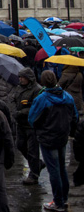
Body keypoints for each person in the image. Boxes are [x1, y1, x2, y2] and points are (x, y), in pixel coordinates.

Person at [29, 70, 78, 211]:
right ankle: (64, 199)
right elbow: (74, 116)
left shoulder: (42, 99)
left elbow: (32, 119)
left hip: (47, 138)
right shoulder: (67, 97)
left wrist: (40, 129)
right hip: (62, 137)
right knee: (62, 168)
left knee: (54, 170)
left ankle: (58, 202)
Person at [12, 67, 43, 185]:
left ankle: (34, 174)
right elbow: (14, 100)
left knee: (33, 150)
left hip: (31, 124)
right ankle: (37, 164)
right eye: (19, 77)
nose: (20, 79)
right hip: (20, 123)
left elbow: (36, 107)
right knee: (20, 145)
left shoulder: (37, 90)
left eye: (23, 77)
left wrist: (21, 112)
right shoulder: (19, 88)